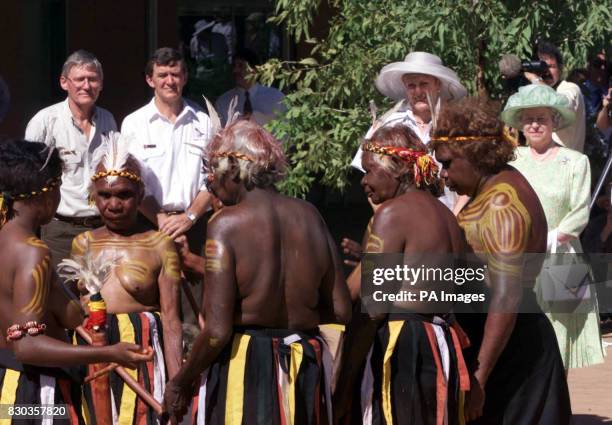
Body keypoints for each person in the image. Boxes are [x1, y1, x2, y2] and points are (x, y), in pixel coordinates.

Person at [162, 120, 352, 424]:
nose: (211, 184)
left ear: (234, 171)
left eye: (214, 173)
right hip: (306, 362)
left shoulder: (225, 224)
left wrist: (180, 381)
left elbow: (217, 330)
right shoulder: (311, 216)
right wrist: (294, 318)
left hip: (248, 366)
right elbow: (341, 309)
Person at [431, 97, 571, 424]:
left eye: (448, 163)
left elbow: (506, 297)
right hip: (498, 346)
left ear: (473, 155)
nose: (444, 174)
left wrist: (479, 377)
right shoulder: (489, 190)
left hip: (514, 354)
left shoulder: (502, 204)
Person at [0, 140, 151, 417]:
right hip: (35, 394)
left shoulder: (7, 242)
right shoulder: (32, 253)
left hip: (8, 388)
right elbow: (26, 345)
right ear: (48, 194)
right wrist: (109, 353)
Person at [335, 125, 470, 425]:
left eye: (369, 170)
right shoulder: (446, 216)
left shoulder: (391, 214)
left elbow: (372, 311)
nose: (364, 181)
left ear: (396, 170)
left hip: (402, 350)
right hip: (440, 344)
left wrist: (344, 381)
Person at [68, 133, 183, 423]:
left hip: (140, 356)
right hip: (91, 354)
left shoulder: (159, 244)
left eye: (124, 195)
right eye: (105, 195)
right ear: (93, 196)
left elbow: (171, 318)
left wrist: (175, 381)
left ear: (140, 196)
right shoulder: (83, 243)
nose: (113, 205)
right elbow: (70, 308)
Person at [501, 84, 605, 369]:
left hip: (562, 256)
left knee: (560, 335)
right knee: (521, 334)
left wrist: (550, 238)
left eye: (542, 118)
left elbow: (580, 210)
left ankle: (556, 407)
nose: (534, 124)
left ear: (554, 121)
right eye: (529, 118)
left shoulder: (575, 161)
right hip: (519, 257)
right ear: (520, 123)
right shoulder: (511, 162)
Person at [121, 47, 213, 326]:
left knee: (196, 309)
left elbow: (212, 180)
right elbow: (131, 182)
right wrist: (161, 219)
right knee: (151, 302)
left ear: (185, 77)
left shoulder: (204, 121)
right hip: (149, 224)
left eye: (175, 74)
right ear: (150, 80)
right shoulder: (134, 124)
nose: (169, 81)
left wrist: (189, 218)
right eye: (162, 75)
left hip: (195, 226)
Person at [25, 50, 117, 272]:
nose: (87, 85)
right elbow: (27, 177)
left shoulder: (108, 119)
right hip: (60, 230)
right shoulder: (45, 121)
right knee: (63, 301)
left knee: (101, 297)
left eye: (93, 79)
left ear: (101, 84)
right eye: (80, 79)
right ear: (64, 82)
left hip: (102, 228)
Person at [350, 52, 467, 211]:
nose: (418, 91)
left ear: (437, 85)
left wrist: (454, 220)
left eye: (424, 84)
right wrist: (386, 218)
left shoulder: (457, 127)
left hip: (448, 221)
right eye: (411, 85)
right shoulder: (387, 126)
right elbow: (370, 180)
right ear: (405, 87)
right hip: (401, 220)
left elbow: (469, 177)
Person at [523, 40, 586, 152]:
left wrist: (535, 79)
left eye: (551, 66)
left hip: (566, 164)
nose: (546, 71)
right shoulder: (534, 93)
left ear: (560, 69)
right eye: (542, 66)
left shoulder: (570, 88)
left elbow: (558, 103)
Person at [215, 47, 286, 126]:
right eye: (234, 66)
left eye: (241, 66)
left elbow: (286, 132)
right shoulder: (223, 102)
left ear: (254, 70)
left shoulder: (276, 98)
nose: (235, 70)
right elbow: (219, 135)